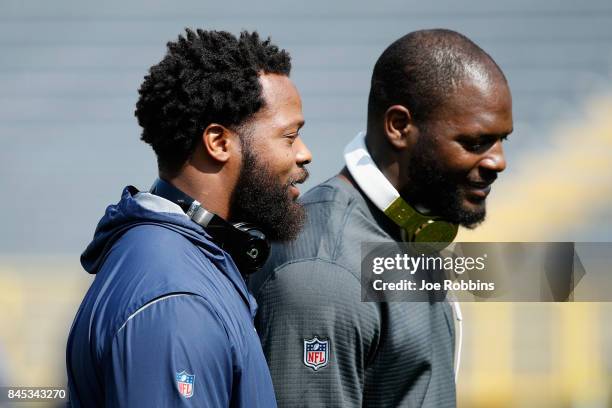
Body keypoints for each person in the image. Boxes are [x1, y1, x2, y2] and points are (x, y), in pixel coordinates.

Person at [249, 29, 513, 407]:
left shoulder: (405, 228)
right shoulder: (323, 272)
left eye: (503, 139)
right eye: (475, 142)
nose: (497, 161)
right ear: (399, 127)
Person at [66, 28, 312, 407]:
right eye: (289, 136)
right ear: (218, 142)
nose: (304, 153)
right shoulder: (176, 302)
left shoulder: (187, 263)